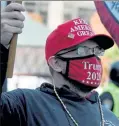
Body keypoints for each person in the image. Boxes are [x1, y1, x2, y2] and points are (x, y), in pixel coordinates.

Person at [1, 3, 119, 126]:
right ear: (56, 63)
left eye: (97, 51)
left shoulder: (110, 117)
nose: (94, 58)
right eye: (83, 50)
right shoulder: (26, 105)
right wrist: (1, 46)